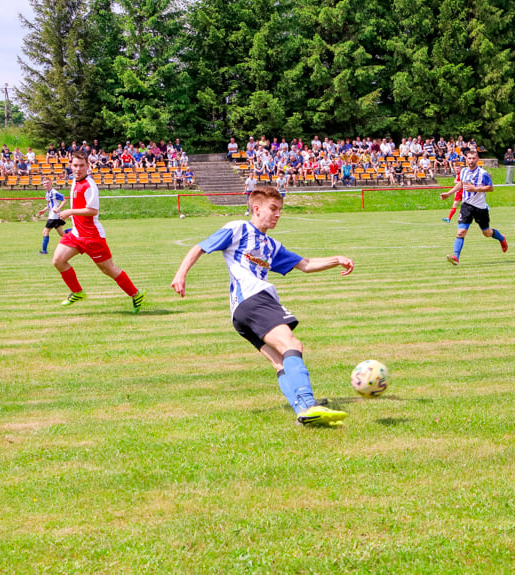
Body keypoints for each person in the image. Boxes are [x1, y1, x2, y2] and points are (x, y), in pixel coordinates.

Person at [171, 186, 353, 427]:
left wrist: (336, 259)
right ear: (256, 209)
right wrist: (181, 274)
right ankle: (308, 404)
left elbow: (305, 264)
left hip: (240, 312)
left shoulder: (271, 245)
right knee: (291, 343)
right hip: (254, 298)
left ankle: (303, 412)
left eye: (280, 210)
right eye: (273, 209)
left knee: (279, 360)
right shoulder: (238, 229)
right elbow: (200, 247)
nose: (278, 214)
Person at [52, 151, 145, 312]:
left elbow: (92, 210)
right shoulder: (75, 180)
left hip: (92, 237)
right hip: (76, 234)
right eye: (75, 165)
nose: (78, 169)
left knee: (108, 269)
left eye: (81, 166)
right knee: (58, 261)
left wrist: (70, 212)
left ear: (88, 166)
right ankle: (77, 292)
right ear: (70, 166)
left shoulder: (90, 185)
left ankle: (136, 294)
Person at [441, 151, 508, 265]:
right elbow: (461, 184)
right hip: (466, 206)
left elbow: (491, 188)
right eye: (469, 158)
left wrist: (475, 189)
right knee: (461, 232)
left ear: (477, 159)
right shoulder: (464, 171)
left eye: (473, 158)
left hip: (480, 208)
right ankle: (456, 258)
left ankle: (501, 238)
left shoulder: (482, 173)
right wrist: (449, 193)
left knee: (486, 232)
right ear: (466, 159)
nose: (471, 160)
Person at [36, 176, 69, 254]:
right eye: (44, 183)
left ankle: (44, 251)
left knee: (45, 231)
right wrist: (44, 210)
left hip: (54, 216)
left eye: (47, 183)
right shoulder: (47, 193)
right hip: (54, 215)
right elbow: (50, 204)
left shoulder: (54, 192)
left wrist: (57, 209)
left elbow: (64, 201)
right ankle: (75, 232)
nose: (46, 185)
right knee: (62, 234)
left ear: (51, 183)